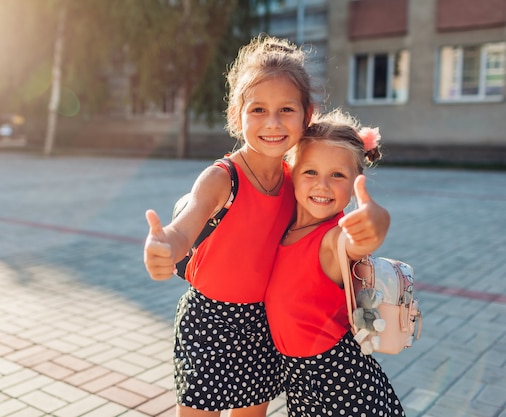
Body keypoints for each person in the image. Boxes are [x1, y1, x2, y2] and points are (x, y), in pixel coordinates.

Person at [144, 35, 389, 416]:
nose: (272, 123)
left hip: (261, 325)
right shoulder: (222, 178)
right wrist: (166, 247)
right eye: (257, 109)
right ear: (236, 115)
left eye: (286, 110)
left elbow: (341, 231)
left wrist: (374, 220)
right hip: (209, 321)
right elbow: (185, 226)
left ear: (307, 115)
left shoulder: (299, 179)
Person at [265, 108, 405, 417]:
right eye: (310, 172)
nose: (322, 185)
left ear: (356, 180)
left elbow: (359, 241)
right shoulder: (284, 227)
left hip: (339, 379)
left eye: (337, 175)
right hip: (299, 376)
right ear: (291, 171)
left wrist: (377, 220)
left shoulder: (333, 238)